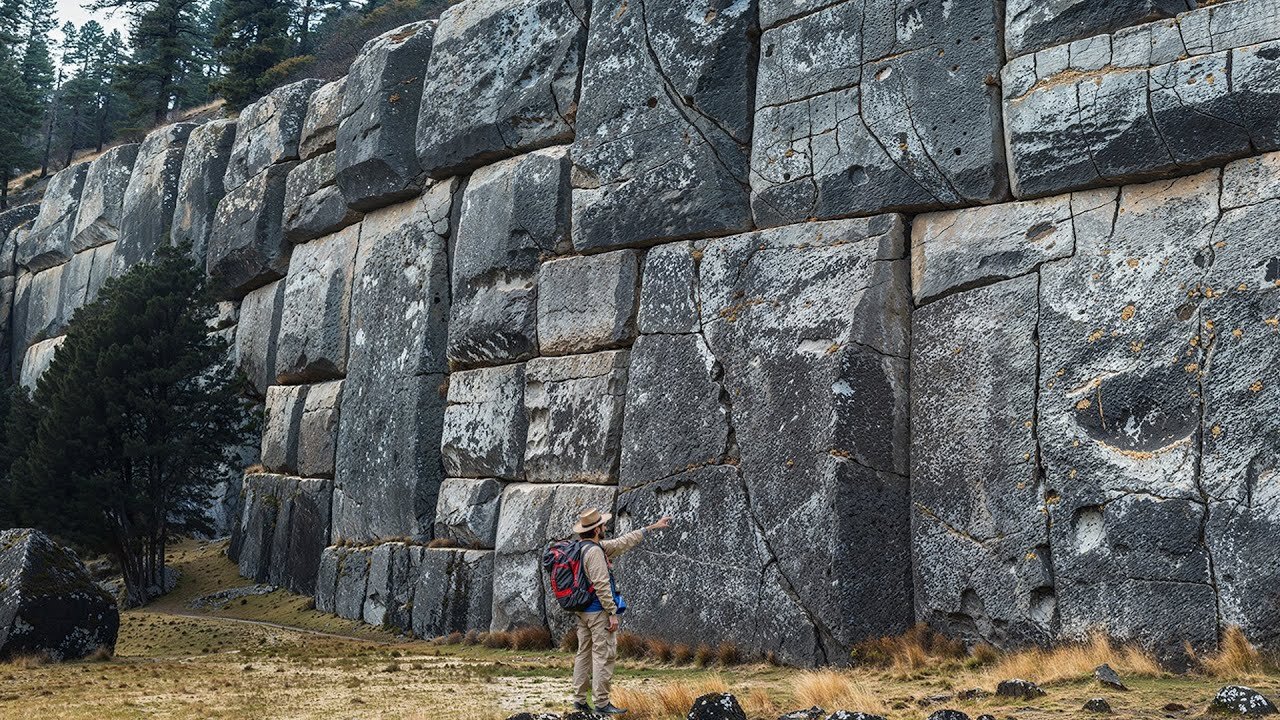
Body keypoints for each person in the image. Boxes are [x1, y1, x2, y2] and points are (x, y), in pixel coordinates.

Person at [570, 508, 672, 715]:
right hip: (598, 612)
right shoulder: (595, 552)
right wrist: (612, 612)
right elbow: (601, 585)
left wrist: (650, 527)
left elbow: (621, 543)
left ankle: (580, 701)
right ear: (597, 529)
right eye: (603, 525)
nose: (605, 527)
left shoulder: (580, 548)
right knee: (603, 656)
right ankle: (601, 703)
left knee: (583, 655)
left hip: (582, 611)